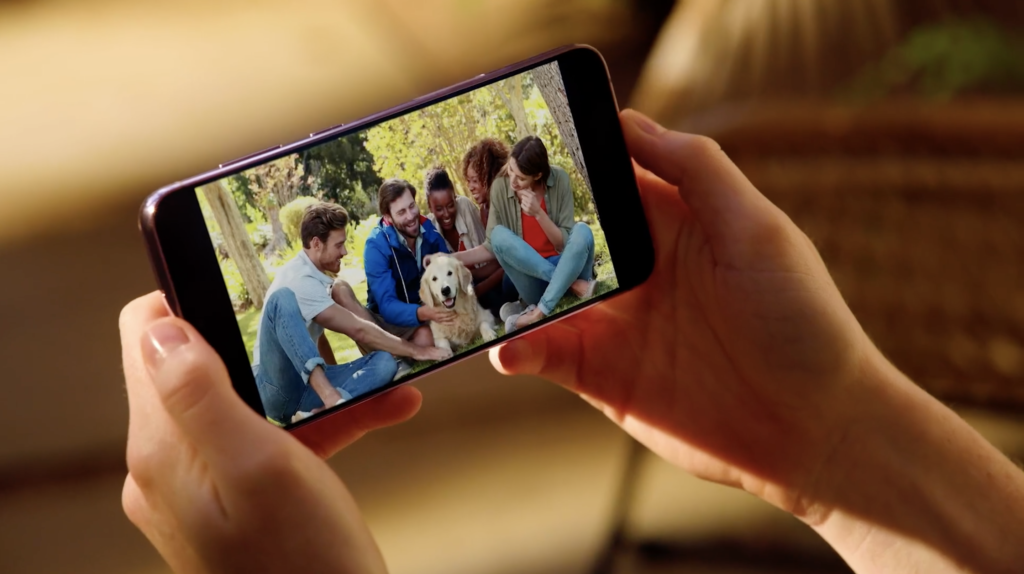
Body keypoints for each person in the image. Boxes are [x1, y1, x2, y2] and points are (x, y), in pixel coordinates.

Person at [119, 109, 1024, 573]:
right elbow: (386, 310)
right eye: (405, 207)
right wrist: (834, 439)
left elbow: (464, 265)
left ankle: (536, 303)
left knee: (570, 251)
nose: (414, 213)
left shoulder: (484, 215)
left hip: (515, 286)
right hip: (423, 320)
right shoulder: (351, 267)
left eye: (415, 204)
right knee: (396, 350)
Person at [250, 202, 451, 425]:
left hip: (305, 390)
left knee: (385, 362)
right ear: (316, 244)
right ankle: (332, 399)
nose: (344, 251)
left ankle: (317, 414)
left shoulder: (315, 277)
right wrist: (416, 351)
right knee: (282, 298)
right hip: (275, 387)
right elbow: (359, 329)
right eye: (339, 245)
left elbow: (317, 339)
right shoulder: (299, 278)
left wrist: (333, 373)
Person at [441, 135, 596, 333]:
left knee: (583, 230)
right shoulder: (500, 186)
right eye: (511, 170)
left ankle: (538, 311)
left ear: (538, 175)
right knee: (498, 234)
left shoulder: (560, 179)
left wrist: (539, 214)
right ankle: (573, 286)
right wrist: (449, 259)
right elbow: (491, 247)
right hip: (534, 281)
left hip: (567, 265)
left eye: (521, 178)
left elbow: (564, 245)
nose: (512, 181)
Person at [337, 179, 455, 358]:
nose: (410, 216)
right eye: (401, 212)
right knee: (340, 288)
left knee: (425, 338)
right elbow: (387, 305)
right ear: (388, 217)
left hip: (421, 317)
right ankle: (389, 354)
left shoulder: (429, 231)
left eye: (412, 206)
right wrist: (422, 313)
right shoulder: (376, 246)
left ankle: (397, 356)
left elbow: (450, 276)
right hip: (386, 322)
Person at [423, 165, 511, 317]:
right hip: (462, 294)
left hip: (490, 282)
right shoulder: (430, 229)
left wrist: (472, 279)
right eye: (439, 209)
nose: (446, 214)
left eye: (450, 205)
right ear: (430, 208)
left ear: (455, 197)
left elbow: (496, 258)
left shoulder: (464, 207)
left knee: (497, 294)